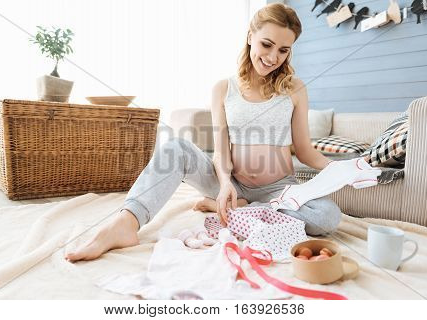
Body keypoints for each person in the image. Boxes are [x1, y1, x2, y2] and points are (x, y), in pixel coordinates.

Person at [65, 3, 341, 262]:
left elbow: (305, 151)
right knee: (175, 148)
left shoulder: (295, 89)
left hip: (279, 190)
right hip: (231, 183)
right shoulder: (223, 88)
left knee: (327, 216)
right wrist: (224, 186)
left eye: (283, 50)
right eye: (266, 44)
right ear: (250, 37)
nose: (272, 58)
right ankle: (125, 223)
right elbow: (221, 152)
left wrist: (343, 169)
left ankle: (244, 208)